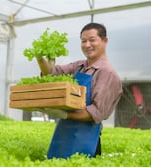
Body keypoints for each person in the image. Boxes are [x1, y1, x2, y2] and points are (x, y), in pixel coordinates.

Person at [36, 22, 122, 159]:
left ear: (105, 41)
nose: (87, 45)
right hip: (64, 133)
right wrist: (40, 58)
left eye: (92, 40)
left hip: (87, 138)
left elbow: (96, 113)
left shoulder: (107, 73)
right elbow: (52, 74)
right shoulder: (79, 66)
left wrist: (64, 115)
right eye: (83, 41)